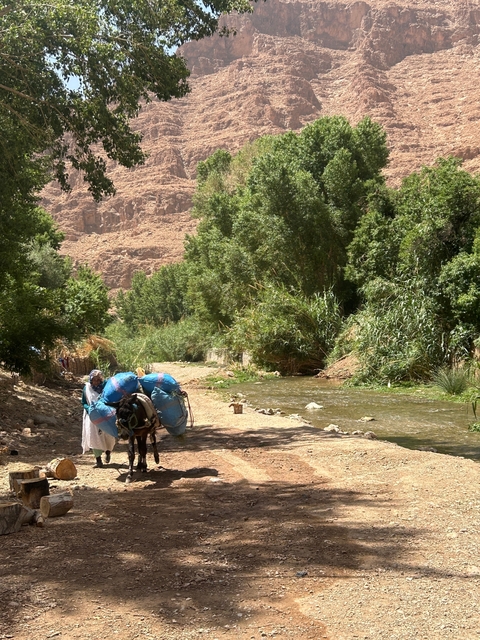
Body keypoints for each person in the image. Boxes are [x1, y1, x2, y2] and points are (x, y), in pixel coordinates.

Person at [81, 369, 116, 468]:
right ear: (91, 380)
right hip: (92, 416)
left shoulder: (105, 388)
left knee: (108, 436)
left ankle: (108, 452)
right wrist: (89, 409)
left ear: (101, 380)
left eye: (98, 380)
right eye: (94, 380)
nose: (96, 382)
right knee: (94, 437)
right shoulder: (86, 388)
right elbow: (83, 402)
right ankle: (98, 460)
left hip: (105, 415)